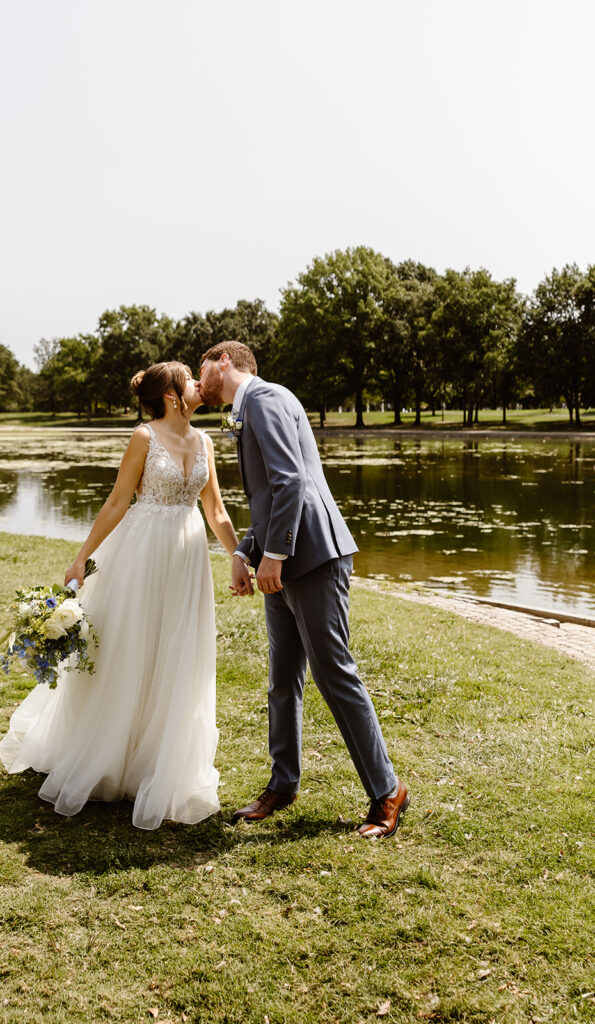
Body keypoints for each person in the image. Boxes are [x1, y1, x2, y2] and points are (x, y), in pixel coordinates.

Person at [0, 361, 240, 830]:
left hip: (187, 560)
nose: (197, 384)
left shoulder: (206, 441)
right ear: (171, 395)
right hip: (142, 554)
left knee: (177, 654)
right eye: (189, 378)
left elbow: (215, 508)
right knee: (132, 649)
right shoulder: (144, 438)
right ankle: (110, 757)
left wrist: (238, 555)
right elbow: (116, 501)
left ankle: (157, 760)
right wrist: (81, 559)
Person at [197, 341, 409, 838]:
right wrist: (244, 552)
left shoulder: (265, 398)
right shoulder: (248, 407)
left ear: (224, 362)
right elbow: (270, 497)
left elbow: (292, 481)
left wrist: (275, 554)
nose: (198, 377)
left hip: (311, 557)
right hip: (286, 560)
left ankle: (388, 791)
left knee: (334, 674)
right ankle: (284, 781)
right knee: (282, 678)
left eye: (201, 367)